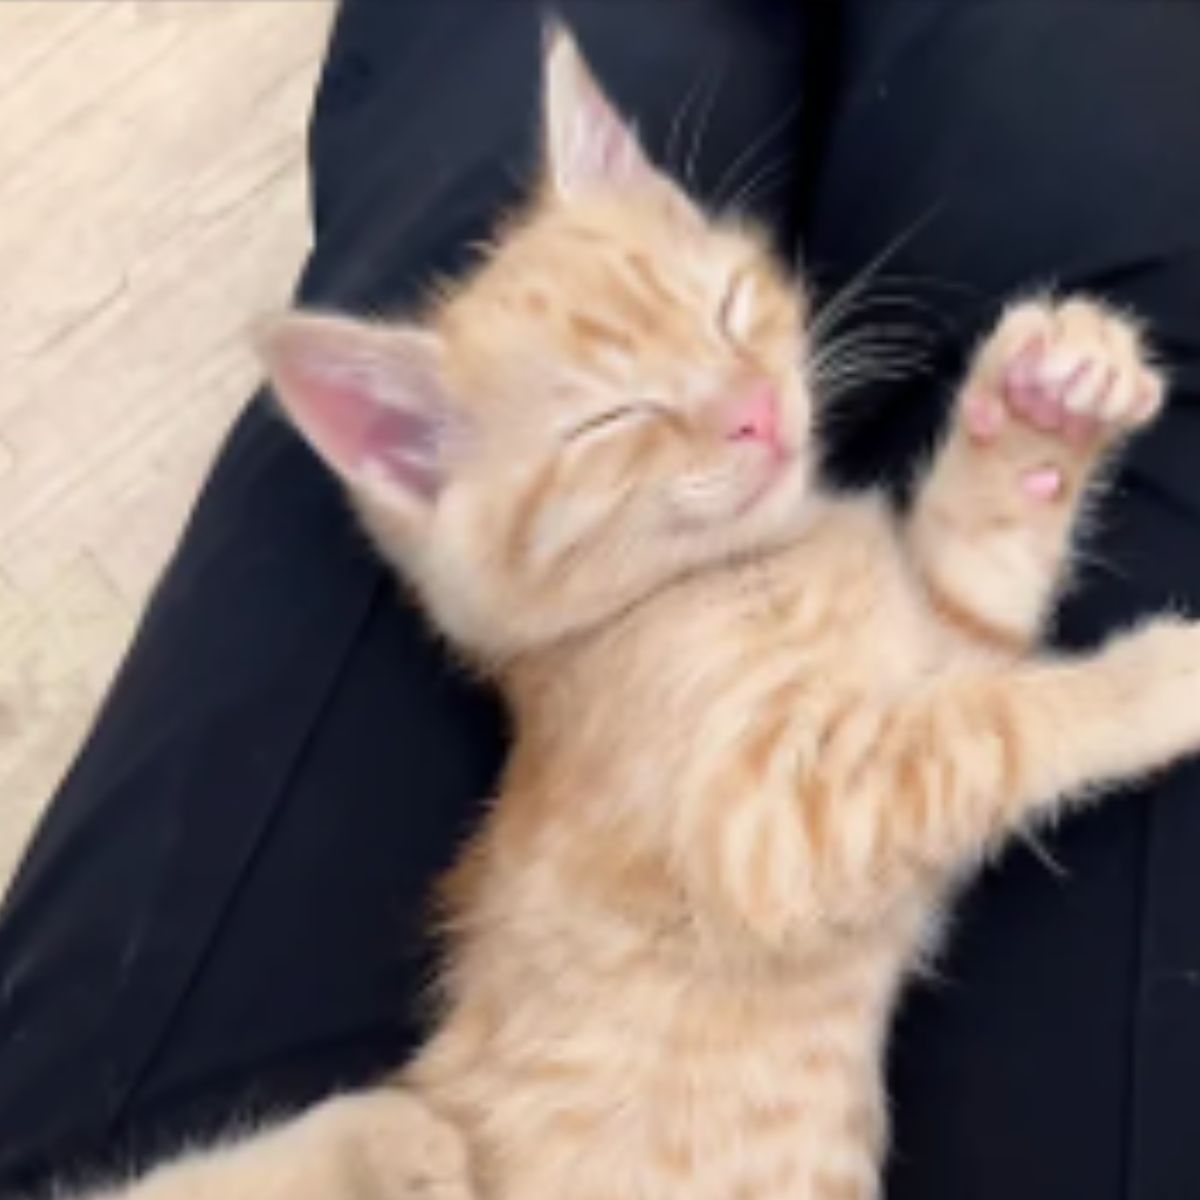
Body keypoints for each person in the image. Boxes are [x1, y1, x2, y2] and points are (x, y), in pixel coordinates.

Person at [2, 2, 1198, 1196]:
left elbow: (913, 735)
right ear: (422, 471)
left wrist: (1011, 479)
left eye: (735, 317)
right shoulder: (625, 662)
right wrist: (1120, 700)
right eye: (624, 424)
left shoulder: (728, 586)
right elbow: (813, 845)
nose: (749, 407)